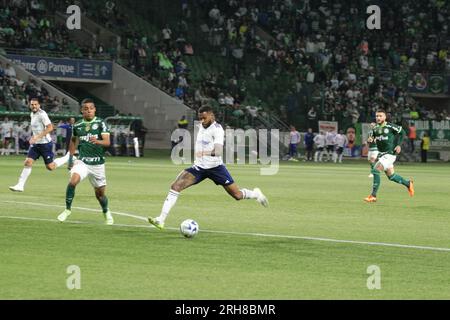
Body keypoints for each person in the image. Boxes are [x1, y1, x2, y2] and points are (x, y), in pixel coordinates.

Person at [148, 106, 268, 230]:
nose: (202, 121)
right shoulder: (201, 125)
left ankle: (255, 194)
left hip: (216, 168)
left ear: (211, 116)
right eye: (200, 119)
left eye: (204, 118)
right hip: (199, 168)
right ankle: (161, 220)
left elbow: (218, 150)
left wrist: (204, 153)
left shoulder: (217, 130)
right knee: (175, 186)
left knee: (237, 195)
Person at [57, 99, 114, 225]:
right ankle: (67, 210)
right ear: (82, 111)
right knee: (73, 182)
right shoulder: (77, 125)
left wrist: (97, 141)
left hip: (98, 164)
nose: (88, 111)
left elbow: (107, 142)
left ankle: (106, 211)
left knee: (100, 195)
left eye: (91, 108)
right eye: (86, 109)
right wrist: (71, 159)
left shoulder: (100, 123)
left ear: (94, 110)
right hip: (82, 162)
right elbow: (73, 141)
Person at [9, 98, 70, 192]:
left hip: (45, 144)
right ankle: (20, 185)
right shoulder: (32, 114)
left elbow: (50, 128)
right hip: (36, 145)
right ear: (30, 105)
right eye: (32, 104)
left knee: (50, 167)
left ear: (39, 105)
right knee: (27, 162)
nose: (34, 106)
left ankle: (68, 157)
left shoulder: (42, 114)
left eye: (35, 104)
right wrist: (33, 137)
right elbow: (36, 129)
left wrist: (37, 137)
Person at [364, 109, 415, 203]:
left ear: (385, 117)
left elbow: (402, 132)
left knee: (375, 170)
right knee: (391, 176)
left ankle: (373, 195)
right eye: (377, 116)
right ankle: (408, 184)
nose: (378, 118)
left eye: (380, 116)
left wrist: (399, 145)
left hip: (390, 154)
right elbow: (372, 138)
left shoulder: (390, 126)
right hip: (382, 155)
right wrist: (370, 139)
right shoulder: (375, 129)